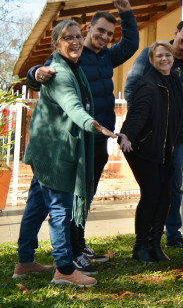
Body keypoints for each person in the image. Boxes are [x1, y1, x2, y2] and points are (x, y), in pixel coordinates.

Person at [26, 0, 139, 267]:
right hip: (75, 138)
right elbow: (42, 69)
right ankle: (66, 252)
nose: (103, 36)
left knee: (85, 195)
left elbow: (131, 44)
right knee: (67, 197)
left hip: (99, 138)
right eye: (100, 30)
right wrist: (34, 72)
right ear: (89, 28)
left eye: (109, 34)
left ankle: (78, 242)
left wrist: (127, 14)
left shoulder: (107, 57)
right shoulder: (72, 54)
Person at [14, 20, 117, 287]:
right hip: (53, 153)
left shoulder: (72, 67)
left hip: (49, 150)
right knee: (60, 210)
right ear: (56, 44)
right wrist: (94, 125)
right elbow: (73, 106)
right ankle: (63, 269)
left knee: (36, 206)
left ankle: (24, 262)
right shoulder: (59, 71)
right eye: (68, 38)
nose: (75, 42)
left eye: (77, 36)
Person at [125, 18, 183, 249]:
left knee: (174, 186)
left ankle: (173, 234)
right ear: (177, 32)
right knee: (153, 188)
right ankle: (150, 237)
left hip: (178, 137)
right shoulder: (152, 53)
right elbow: (132, 88)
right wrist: (139, 125)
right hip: (151, 136)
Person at [116, 41, 182, 263]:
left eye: (168, 55)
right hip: (143, 148)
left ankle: (155, 244)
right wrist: (127, 134)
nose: (164, 59)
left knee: (165, 195)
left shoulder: (173, 80)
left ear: (173, 58)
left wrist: (172, 141)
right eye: (159, 56)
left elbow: (174, 115)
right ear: (152, 60)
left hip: (164, 149)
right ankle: (140, 246)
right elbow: (138, 114)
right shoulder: (148, 84)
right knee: (152, 193)